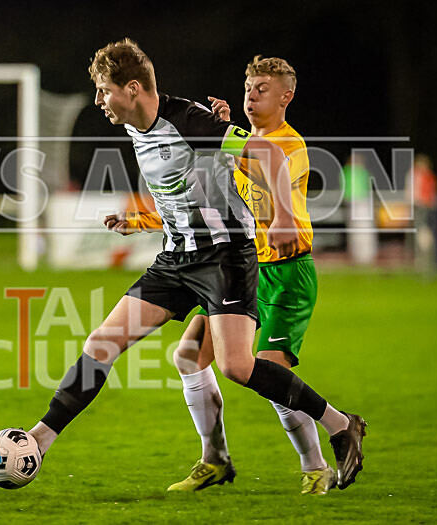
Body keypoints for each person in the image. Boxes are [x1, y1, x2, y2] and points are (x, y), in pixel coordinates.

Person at [0, 40, 366, 491]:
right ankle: (37, 441)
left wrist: (287, 218)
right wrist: (143, 220)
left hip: (225, 257)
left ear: (132, 88)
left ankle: (338, 423)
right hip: (176, 260)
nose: (98, 101)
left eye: (103, 90)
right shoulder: (141, 125)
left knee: (237, 366)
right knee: (103, 343)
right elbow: (186, 191)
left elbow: (269, 154)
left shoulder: (189, 122)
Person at [129, 56, 335, 495]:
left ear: (286, 96)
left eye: (262, 88)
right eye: (248, 88)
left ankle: (316, 466)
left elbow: (264, 181)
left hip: (284, 273)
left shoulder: (286, 145)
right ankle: (215, 459)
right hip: (240, 267)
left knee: (268, 371)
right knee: (188, 355)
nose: (252, 95)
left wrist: (215, 139)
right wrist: (145, 220)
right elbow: (209, 201)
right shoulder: (240, 141)